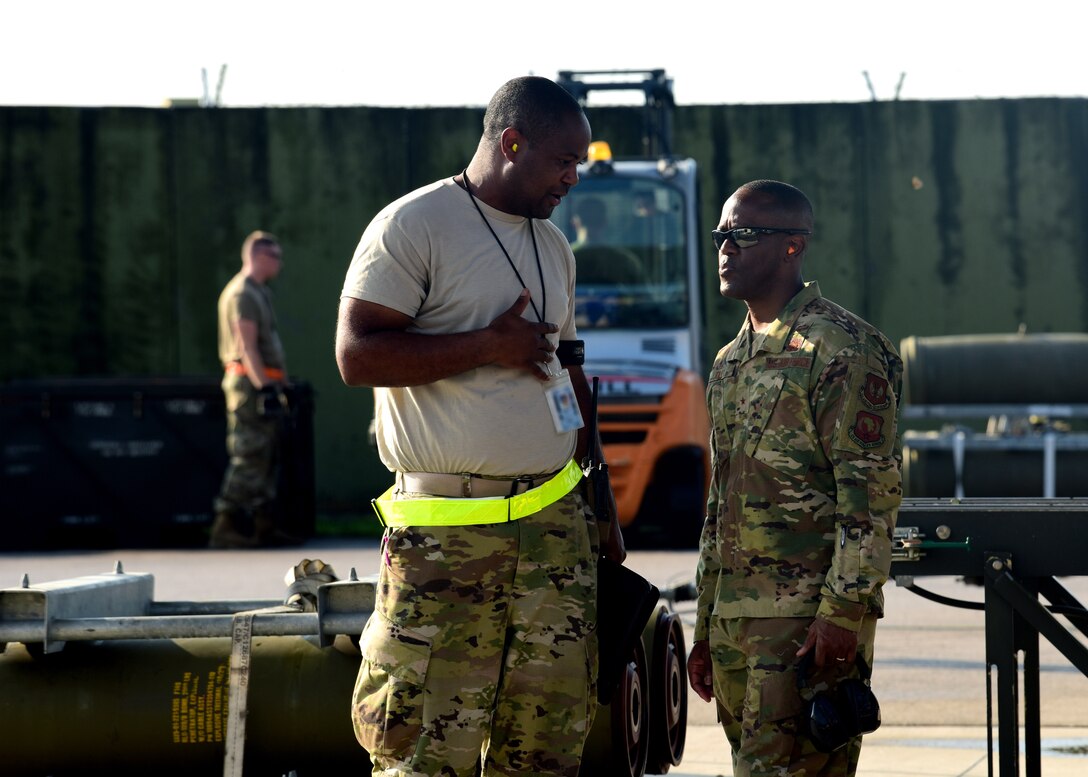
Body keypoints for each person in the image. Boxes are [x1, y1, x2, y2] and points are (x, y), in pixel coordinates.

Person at [334, 76, 624, 777]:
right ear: (512, 142)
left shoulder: (555, 246)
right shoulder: (414, 225)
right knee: (428, 753)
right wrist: (489, 345)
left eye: (579, 162)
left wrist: (602, 510)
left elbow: (571, 377)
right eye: (562, 160)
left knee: (546, 747)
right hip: (446, 539)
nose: (571, 178)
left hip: (552, 533)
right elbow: (356, 354)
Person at [687, 180, 903, 776]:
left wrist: (843, 613)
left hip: (805, 630)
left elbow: (870, 497)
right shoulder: (731, 361)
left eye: (744, 235)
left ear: (792, 246)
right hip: (737, 626)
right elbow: (720, 503)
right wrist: (705, 626)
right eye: (721, 235)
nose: (726, 248)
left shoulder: (842, 349)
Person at [210, 230, 296, 549]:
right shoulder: (242, 293)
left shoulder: (258, 292)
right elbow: (247, 347)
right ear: (259, 256)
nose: (280, 264)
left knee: (266, 454)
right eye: (276, 257)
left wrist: (281, 383)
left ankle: (263, 527)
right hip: (250, 384)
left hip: (262, 382)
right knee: (249, 453)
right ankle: (225, 525)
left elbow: (267, 344)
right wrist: (264, 388)